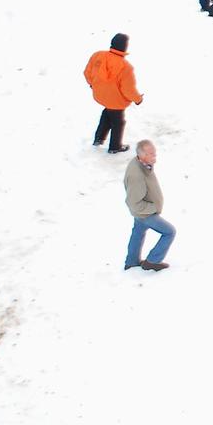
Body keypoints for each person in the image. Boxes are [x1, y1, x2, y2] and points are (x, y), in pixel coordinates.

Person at [85, 32, 142, 153]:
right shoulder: (125, 67)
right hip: (116, 100)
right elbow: (128, 90)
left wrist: (92, 84)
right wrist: (138, 99)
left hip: (100, 95)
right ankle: (115, 147)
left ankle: (99, 138)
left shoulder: (98, 55)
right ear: (125, 46)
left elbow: (87, 72)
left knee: (107, 113)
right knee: (118, 122)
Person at [123, 139, 175, 272]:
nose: (155, 155)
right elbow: (134, 203)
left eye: (154, 152)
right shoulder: (136, 175)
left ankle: (131, 262)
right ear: (142, 155)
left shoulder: (143, 163)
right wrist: (153, 208)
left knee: (138, 233)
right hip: (145, 213)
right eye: (151, 154)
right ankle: (152, 261)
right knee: (169, 232)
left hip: (142, 213)